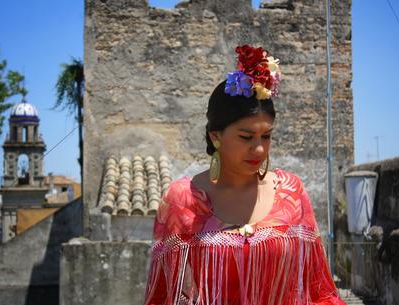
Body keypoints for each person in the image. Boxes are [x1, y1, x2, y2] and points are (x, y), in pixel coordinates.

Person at [143, 45, 347, 305]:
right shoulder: (182, 199)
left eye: (267, 136)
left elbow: (320, 290)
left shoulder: (290, 193)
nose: (259, 148)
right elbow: (161, 296)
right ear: (215, 136)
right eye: (246, 137)